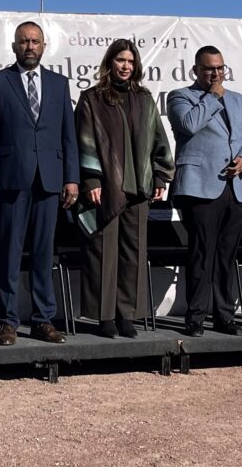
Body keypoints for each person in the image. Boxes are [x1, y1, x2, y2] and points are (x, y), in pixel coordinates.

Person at [0, 21, 77, 346]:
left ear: (44, 46)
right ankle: (7, 321)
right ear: (14, 46)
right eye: (24, 41)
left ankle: (43, 320)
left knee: (44, 253)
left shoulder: (59, 84)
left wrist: (72, 178)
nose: (29, 46)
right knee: (9, 251)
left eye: (35, 41)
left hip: (49, 180)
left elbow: (68, 136)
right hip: (11, 180)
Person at [75, 39, 174, 338]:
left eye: (130, 62)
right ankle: (104, 317)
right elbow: (85, 140)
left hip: (139, 188)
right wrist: (91, 180)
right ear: (109, 63)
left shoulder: (144, 98)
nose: (125, 66)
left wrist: (159, 176)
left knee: (133, 251)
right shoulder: (92, 98)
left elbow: (159, 138)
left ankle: (126, 315)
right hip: (105, 188)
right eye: (120, 60)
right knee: (103, 252)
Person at [166, 46, 242, 337]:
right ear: (196, 70)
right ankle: (194, 317)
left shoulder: (238, 99)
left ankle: (224, 316)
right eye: (209, 68)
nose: (216, 73)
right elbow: (188, 125)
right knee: (201, 253)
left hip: (235, 188)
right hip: (199, 188)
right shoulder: (181, 96)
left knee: (225, 256)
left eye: (220, 68)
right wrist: (213, 96)